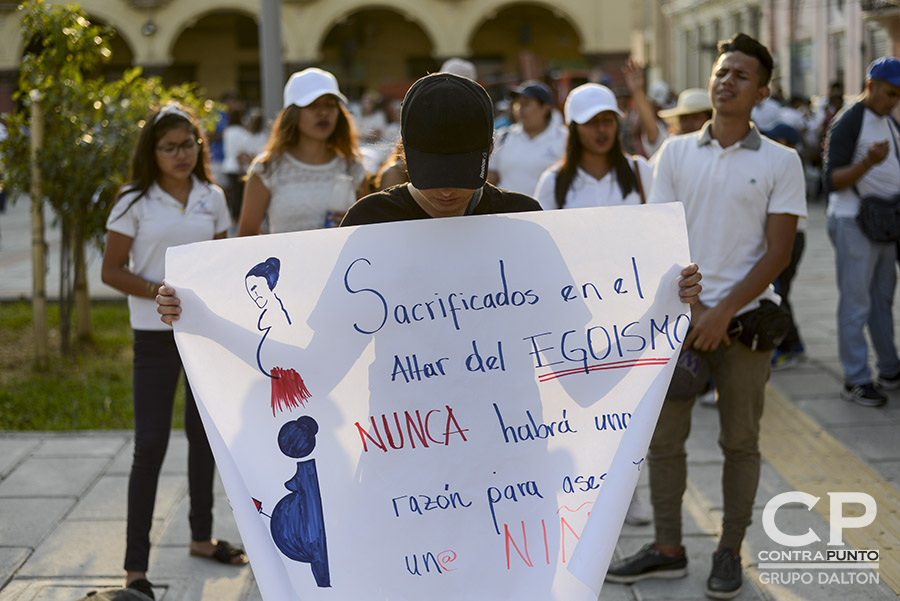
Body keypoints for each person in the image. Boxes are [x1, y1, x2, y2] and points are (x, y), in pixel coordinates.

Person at [606, 33, 806, 600]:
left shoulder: (781, 160)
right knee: (665, 441)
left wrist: (721, 314)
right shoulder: (674, 152)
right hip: (680, 324)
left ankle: (728, 552)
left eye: (741, 75)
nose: (726, 81)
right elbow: (663, 235)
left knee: (739, 442)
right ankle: (667, 548)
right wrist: (696, 311)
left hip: (746, 324)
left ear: (762, 91)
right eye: (722, 71)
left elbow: (778, 252)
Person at [101, 103, 245, 598]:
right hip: (154, 339)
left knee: (203, 438)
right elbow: (111, 271)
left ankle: (202, 538)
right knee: (151, 447)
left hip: (202, 335)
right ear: (152, 152)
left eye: (188, 144)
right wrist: (155, 291)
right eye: (168, 147)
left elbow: (220, 264)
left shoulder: (213, 197)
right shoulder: (133, 201)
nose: (180, 154)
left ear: (199, 146)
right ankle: (135, 571)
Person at [823, 57, 900, 407]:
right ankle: (855, 378)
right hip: (853, 221)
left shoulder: (888, 122)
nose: (893, 100)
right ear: (870, 86)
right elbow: (832, 180)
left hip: (883, 225)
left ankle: (889, 368)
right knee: (856, 303)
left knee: (882, 300)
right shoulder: (849, 121)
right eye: (889, 93)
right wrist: (868, 163)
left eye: (898, 96)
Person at [239, 68, 369, 234]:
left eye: (330, 105)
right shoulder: (266, 168)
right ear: (292, 113)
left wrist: (353, 224)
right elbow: (245, 238)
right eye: (312, 105)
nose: (323, 112)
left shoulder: (354, 166)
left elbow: (369, 235)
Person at [534, 83, 652, 211]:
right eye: (591, 122)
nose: (601, 129)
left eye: (607, 120)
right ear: (572, 128)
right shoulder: (553, 181)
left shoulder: (639, 170)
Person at [487, 80, 568, 196]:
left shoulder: (564, 138)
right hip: (509, 212)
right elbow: (491, 179)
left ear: (545, 107)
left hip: (548, 212)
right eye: (517, 104)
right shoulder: (502, 137)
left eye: (526, 104)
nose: (520, 109)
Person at [622, 59, 671, 158]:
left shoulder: (669, 128)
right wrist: (638, 91)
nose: (658, 108)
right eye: (655, 104)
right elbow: (651, 132)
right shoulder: (640, 116)